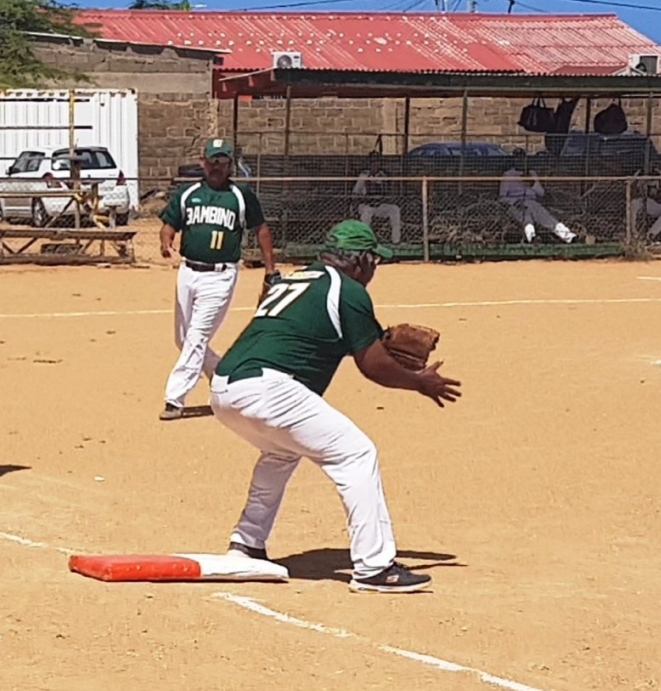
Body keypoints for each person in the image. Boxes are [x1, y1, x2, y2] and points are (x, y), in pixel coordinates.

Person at [210, 220, 462, 593]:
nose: (375, 268)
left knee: (280, 454)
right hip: (268, 388)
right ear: (359, 261)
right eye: (374, 259)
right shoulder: (349, 290)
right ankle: (375, 567)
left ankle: (247, 543)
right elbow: (372, 365)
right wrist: (419, 382)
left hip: (225, 387)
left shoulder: (297, 279)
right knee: (356, 453)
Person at [159, 137, 276, 421]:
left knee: (197, 337)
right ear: (203, 162)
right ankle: (226, 377)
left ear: (229, 165)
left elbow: (260, 229)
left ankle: (174, 399)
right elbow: (169, 224)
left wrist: (270, 268)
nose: (217, 167)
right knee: (183, 338)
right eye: (212, 161)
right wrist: (166, 241)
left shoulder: (240, 195)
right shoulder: (188, 194)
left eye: (222, 162)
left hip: (220, 276)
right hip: (188, 272)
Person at [498, 163, 576, 243]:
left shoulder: (532, 173)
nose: (520, 161)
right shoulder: (508, 175)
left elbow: (541, 193)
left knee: (547, 218)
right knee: (527, 218)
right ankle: (532, 238)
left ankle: (569, 237)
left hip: (532, 202)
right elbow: (502, 197)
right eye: (517, 159)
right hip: (515, 204)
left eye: (522, 158)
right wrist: (514, 202)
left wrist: (532, 183)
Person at [352, 159, 402, 244]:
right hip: (366, 205)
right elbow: (356, 193)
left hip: (379, 205)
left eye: (377, 162)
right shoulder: (364, 176)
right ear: (369, 164)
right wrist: (362, 200)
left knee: (394, 209)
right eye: (373, 162)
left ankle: (396, 240)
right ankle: (364, 240)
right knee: (367, 212)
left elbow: (387, 192)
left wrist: (382, 197)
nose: (375, 165)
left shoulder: (382, 175)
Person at [628, 165, 661, 243]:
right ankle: (634, 236)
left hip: (650, 202)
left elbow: (659, 189)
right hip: (637, 200)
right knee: (633, 205)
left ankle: (650, 236)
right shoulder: (637, 171)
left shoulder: (658, 173)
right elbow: (631, 187)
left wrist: (652, 184)